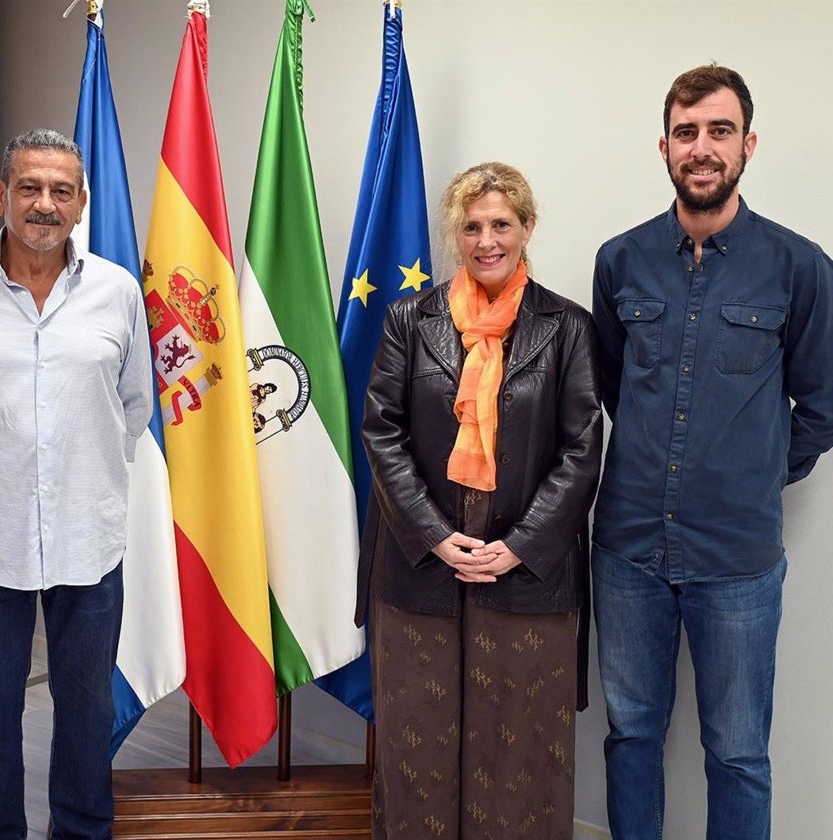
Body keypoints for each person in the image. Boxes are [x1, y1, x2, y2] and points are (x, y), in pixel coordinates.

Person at [591, 64, 833, 840]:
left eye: (719, 131)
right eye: (688, 132)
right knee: (630, 735)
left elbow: (822, 405)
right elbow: (610, 384)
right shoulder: (619, 260)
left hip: (738, 560)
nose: (703, 147)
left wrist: (759, 472)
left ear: (747, 145)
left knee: (736, 754)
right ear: (664, 146)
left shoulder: (800, 266)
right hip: (627, 549)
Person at [0, 128, 153, 840]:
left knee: (86, 710)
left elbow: (134, 405)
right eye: (28, 187)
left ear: (80, 204)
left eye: (60, 191)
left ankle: (80, 830)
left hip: (89, 536)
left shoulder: (117, 291)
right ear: (1, 195)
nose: (43, 204)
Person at [357, 161, 602, 839]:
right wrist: (435, 535)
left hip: (528, 575)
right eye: (471, 226)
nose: (486, 239)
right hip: (421, 563)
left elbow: (583, 449)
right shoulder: (412, 319)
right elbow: (381, 431)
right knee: (418, 742)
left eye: (501, 223)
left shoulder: (568, 328)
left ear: (527, 228)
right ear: (455, 235)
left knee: (520, 745)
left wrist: (518, 548)